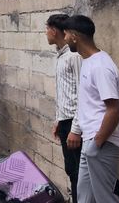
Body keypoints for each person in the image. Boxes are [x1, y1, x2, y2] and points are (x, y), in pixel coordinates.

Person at [64, 14, 119, 203]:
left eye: (66, 35)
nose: (65, 40)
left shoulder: (101, 66)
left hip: (102, 142)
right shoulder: (88, 62)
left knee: (107, 198)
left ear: (74, 36)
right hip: (90, 141)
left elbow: (114, 110)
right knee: (84, 197)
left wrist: (96, 143)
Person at [45, 14, 82, 203]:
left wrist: (75, 128)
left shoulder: (74, 56)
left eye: (47, 29)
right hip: (65, 121)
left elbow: (82, 92)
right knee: (71, 168)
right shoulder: (60, 55)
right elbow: (64, 93)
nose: (45, 33)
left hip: (76, 123)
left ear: (54, 30)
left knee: (78, 171)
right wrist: (58, 120)